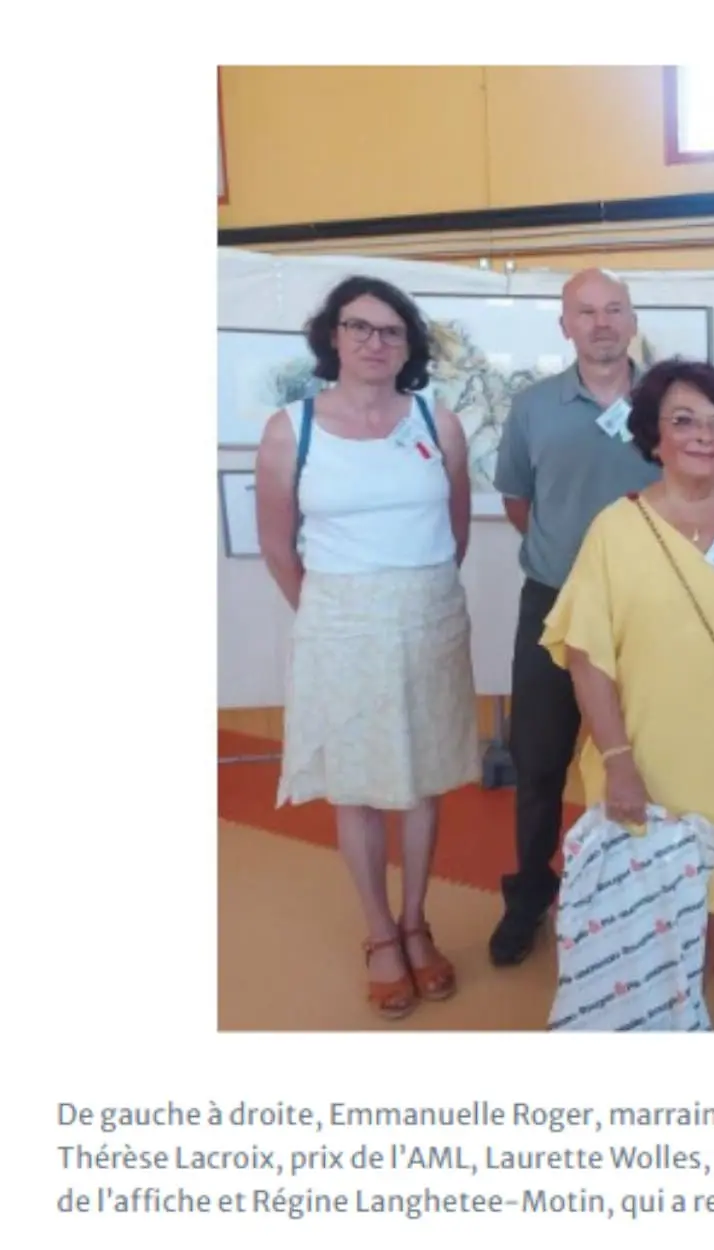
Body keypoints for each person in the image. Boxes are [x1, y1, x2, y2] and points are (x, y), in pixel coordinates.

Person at [540, 359, 714, 982]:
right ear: (654, 434)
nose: (703, 435)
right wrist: (617, 759)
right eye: (684, 420)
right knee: (641, 921)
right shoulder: (615, 528)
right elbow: (585, 655)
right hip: (645, 750)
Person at [253, 275, 478, 1022]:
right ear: (333, 336)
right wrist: (333, 613)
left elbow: (454, 528)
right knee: (356, 783)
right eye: (360, 327)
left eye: (391, 330)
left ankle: (416, 921)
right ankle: (378, 933)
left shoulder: (436, 421)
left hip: (428, 614)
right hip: (339, 623)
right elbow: (278, 544)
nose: (375, 342)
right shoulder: (292, 428)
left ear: (408, 344)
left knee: (422, 779)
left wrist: (415, 598)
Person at [488, 269, 662, 968]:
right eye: (585, 311)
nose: (600, 323)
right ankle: (531, 892)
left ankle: (646, 896)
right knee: (539, 762)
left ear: (632, 319)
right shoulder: (532, 407)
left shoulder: (670, 401)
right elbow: (519, 504)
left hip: (652, 611)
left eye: (613, 309)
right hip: (555, 604)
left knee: (649, 759)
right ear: (564, 325)